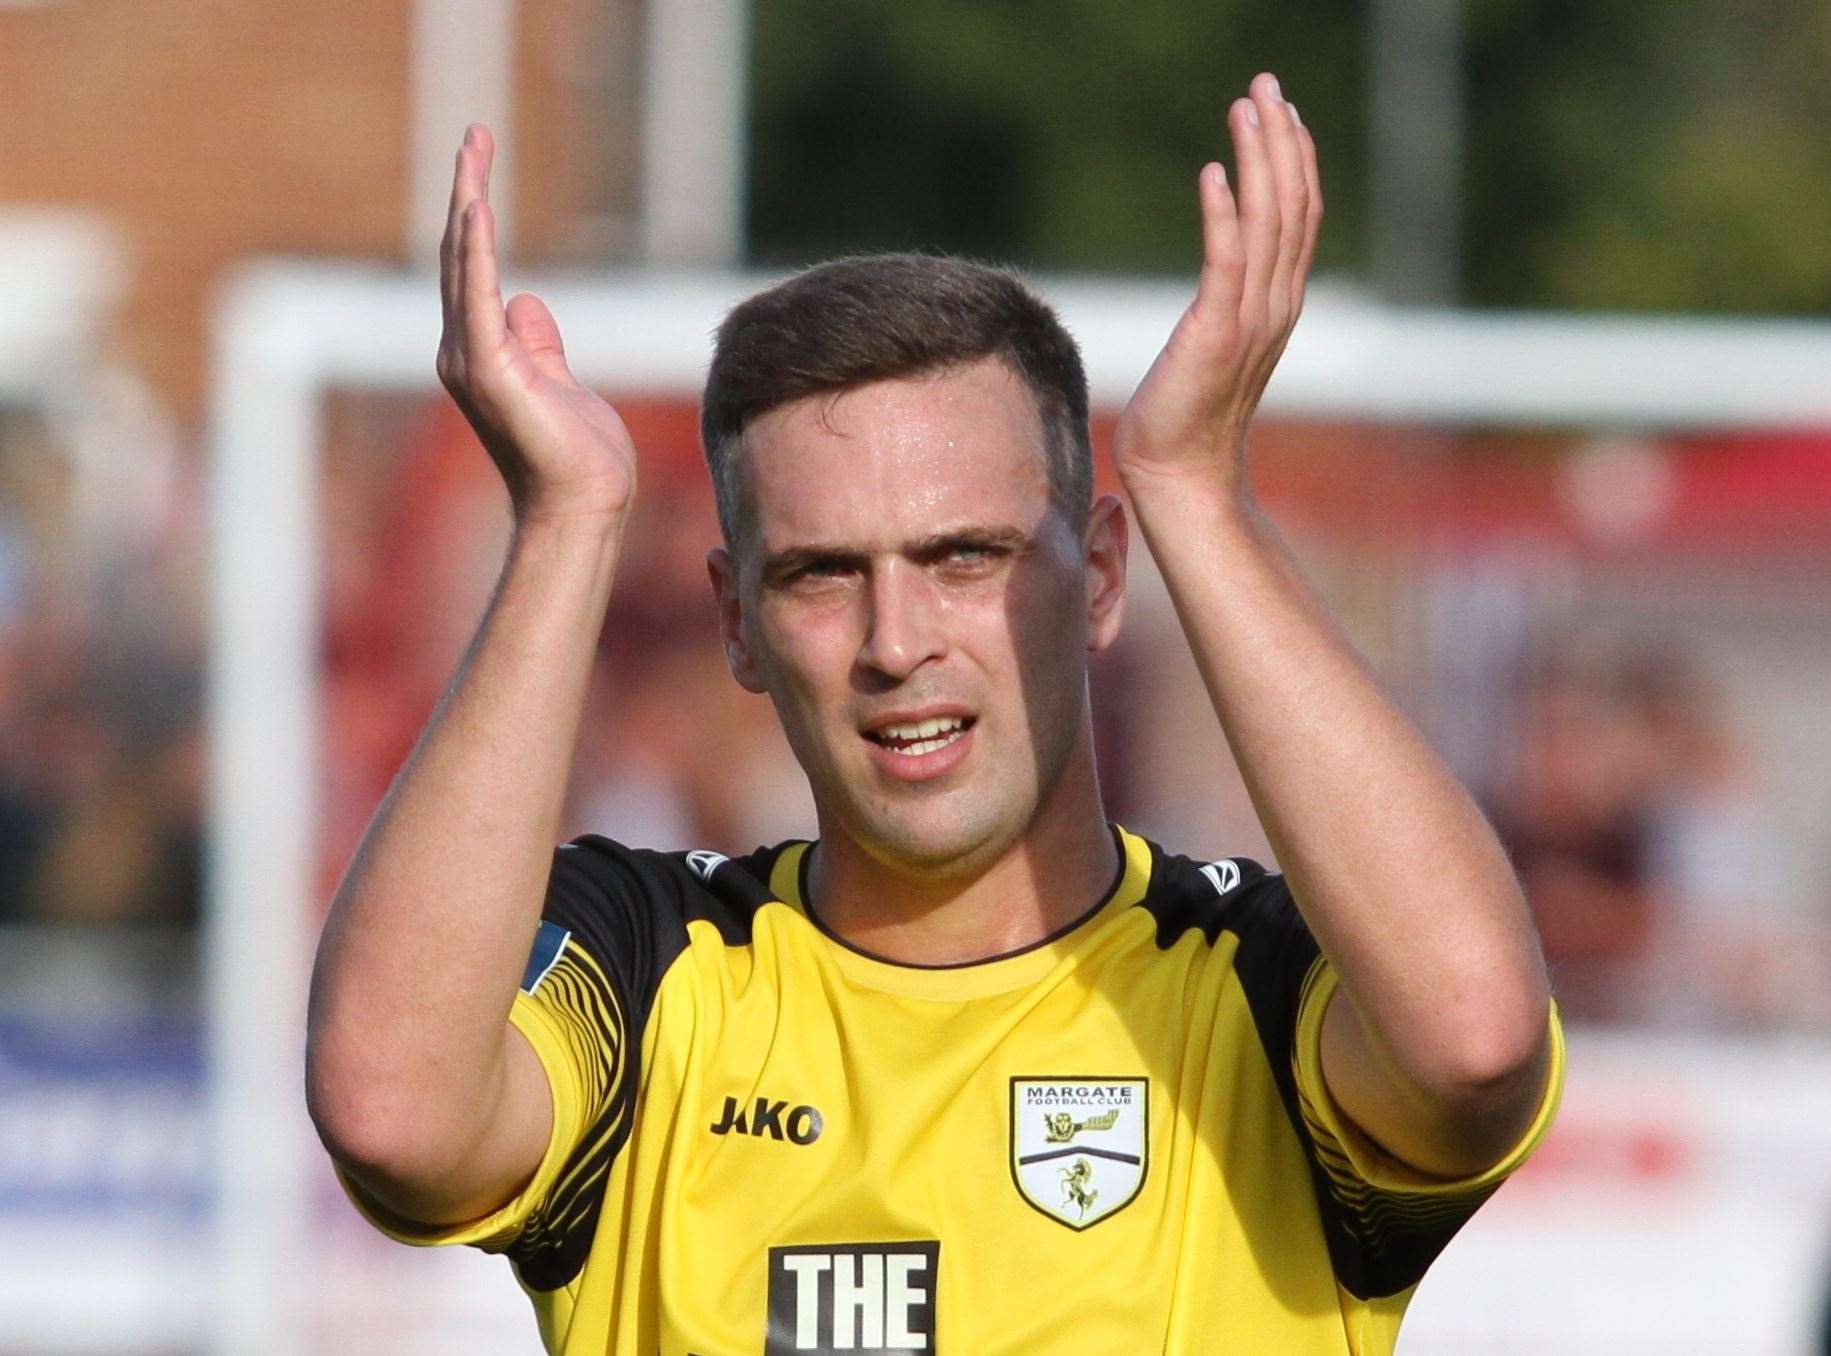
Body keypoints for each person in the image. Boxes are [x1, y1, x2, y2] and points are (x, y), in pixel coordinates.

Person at [307, 72, 1563, 1354]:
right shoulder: (652, 970)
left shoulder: (1248, 982)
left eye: (966, 558)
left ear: (1104, 577)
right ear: (738, 623)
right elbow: (394, 1115)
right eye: (821, 575)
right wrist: (566, 521)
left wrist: (1196, 484)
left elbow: (1472, 1041)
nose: (895, 643)